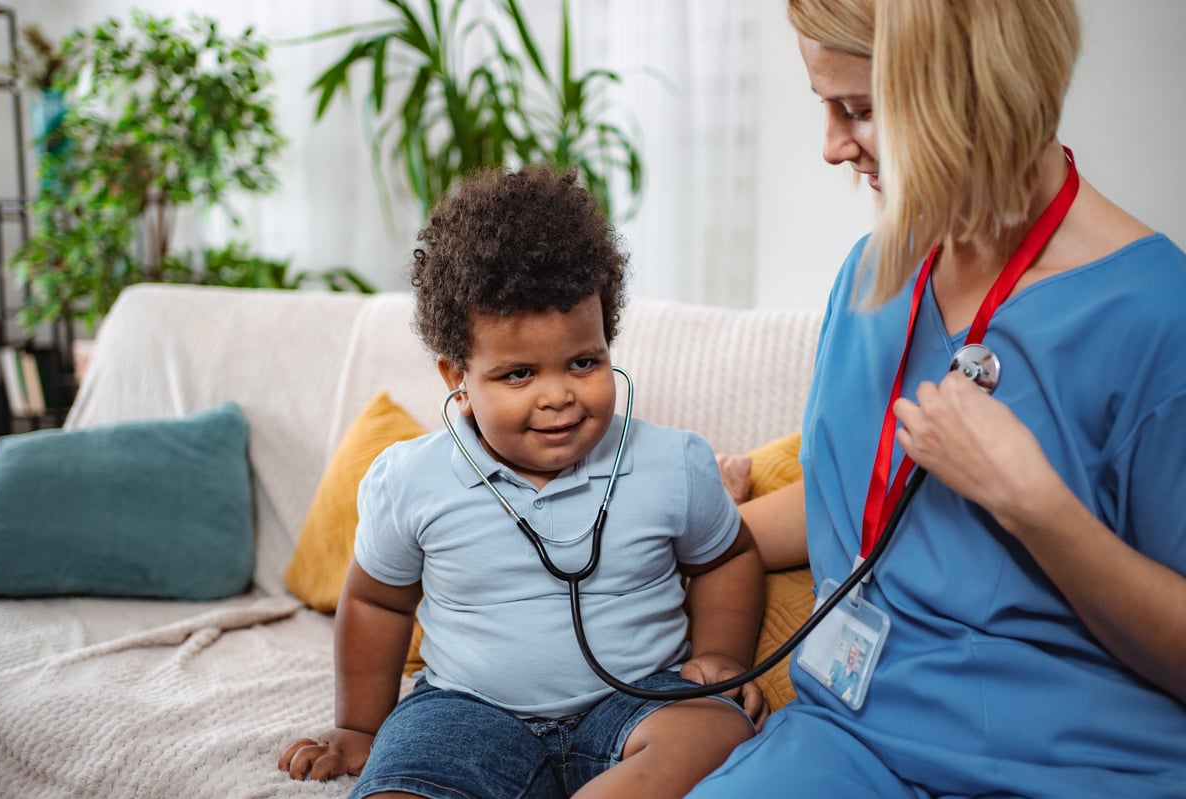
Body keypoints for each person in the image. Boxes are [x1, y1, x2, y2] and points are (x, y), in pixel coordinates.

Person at [692, 0, 1186, 796]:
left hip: (1072, 767)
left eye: (856, 109)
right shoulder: (870, 274)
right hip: (843, 744)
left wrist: (1038, 508)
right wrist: (689, 532)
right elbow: (855, 498)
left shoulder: (1157, 317)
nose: (829, 146)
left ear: (969, 92)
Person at [278, 164, 767, 799]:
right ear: (458, 377)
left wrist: (722, 656)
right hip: (465, 711)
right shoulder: (411, 480)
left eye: (583, 362)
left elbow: (727, 556)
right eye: (517, 375)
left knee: (715, 734)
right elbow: (377, 601)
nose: (558, 396)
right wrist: (358, 727)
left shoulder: (671, 464)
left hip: (638, 698)